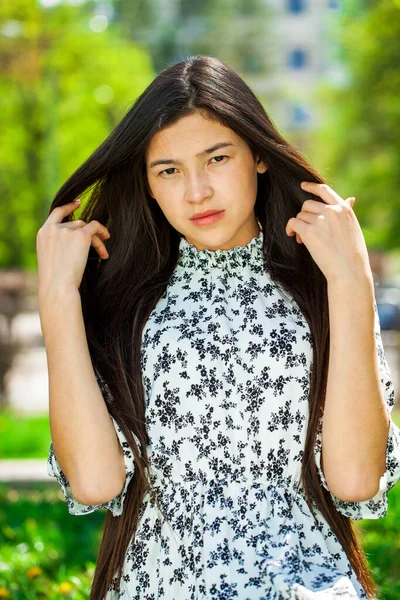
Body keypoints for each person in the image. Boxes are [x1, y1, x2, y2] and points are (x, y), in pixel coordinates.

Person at [36, 55, 400, 600]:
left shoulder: (324, 284)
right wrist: (58, 295)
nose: (196, 191)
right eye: (169, 170)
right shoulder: (119, 302)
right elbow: (94, 483)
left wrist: (352, 284)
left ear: (257, 156)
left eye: (217, 158)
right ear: (149, 185)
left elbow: (354, 482)